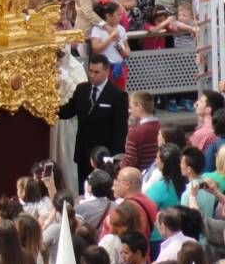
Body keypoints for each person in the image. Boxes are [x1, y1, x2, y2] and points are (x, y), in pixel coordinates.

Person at [58, 53, 129, 191]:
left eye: (96, 72)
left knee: (101, 190)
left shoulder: (117, 95)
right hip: (83, 152)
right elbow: (68, 111)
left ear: (107, 71)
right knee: (83, 189)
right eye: (90, 71)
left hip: (104, 155)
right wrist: (48, 109)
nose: (92, 75)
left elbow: (120, 130)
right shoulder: (81, 89)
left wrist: (114, 158)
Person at [121, 92, 160, 171]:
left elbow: (129, 161)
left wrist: (117, 168)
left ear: (139, 107)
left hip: (139, 176)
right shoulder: (161, 127)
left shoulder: (135, 132)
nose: (129, 111)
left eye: (131, 107)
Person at [180, 147, 216, 218]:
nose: (180, 165)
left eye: (181, 163)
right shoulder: (211, 188)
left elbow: (184, 221)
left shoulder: (187, 194)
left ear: (189, 170)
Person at [190, 90, 225, 155]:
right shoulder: (220, 128)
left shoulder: (201, 134)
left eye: (200, 101)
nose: (196, 103)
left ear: (208, 109)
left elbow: (193, 159)